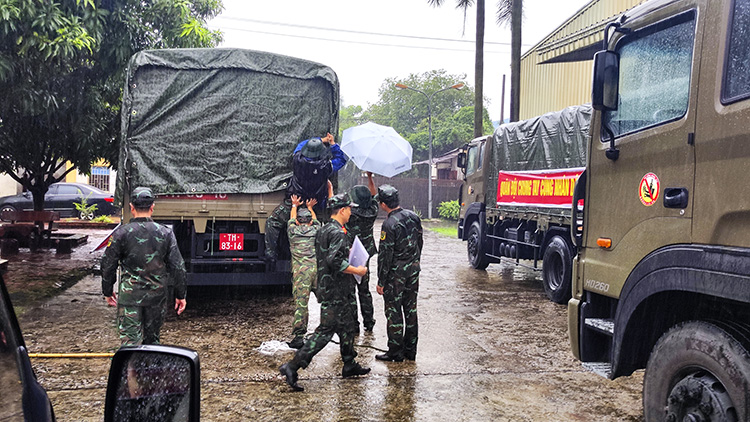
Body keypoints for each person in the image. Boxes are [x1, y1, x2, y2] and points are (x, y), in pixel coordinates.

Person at [279, 193, 369, 391]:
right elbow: (335, 261)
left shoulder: (324, 229)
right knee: (325, 333)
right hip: (335, 291)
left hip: (333, 288)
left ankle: (349, 363)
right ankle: (292, 366)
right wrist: (358, 270)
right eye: (350, 209)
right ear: (343, 210)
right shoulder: (336, 232)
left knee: (346, 327)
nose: (351, 212)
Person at [101, 187, 187, 346]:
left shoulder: (121, 233)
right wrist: (180, 294)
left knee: (130, 344)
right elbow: (178, 266)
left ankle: (131, 370)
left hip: (130, 297)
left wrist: (107, 290)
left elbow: (108, 264)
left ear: (131, 207)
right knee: (152, 342)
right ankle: (149, 370)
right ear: (152, 207)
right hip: (157, 297)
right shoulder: (165, 233)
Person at [265, 133, 345, 271]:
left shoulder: (297, 160)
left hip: (295, 201)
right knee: (325, 228)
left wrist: (320, 140)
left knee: (272, 222)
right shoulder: (326, 166)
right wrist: (331, 143)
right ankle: (322, 259)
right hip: (315, 204)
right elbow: (341, 160)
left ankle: (271, 254)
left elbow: (300, 146)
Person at [375, 185, 423, 362]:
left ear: (383, 204)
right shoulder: (413, 217)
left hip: (396, 275)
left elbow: (385, 256)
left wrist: (381, 281)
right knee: (411, 309)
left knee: (393, 311)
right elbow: (419, 242)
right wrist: (415, 262)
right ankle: (410, 350)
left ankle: (395, 351)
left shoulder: (389, 224)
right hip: (413, 270)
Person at [286, 194, 322, 349]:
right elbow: (317, 221)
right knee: (327, 301)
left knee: (301, 305)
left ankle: (299, 337)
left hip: (301, 273)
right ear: (311, 221)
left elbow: (291, 219)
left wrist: (294, 205)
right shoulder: (315, 230)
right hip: (316, 271)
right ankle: (331, 329)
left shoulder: (292, 231)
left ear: (297, 221)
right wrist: (310, 208)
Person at [345, 172, 378, 332]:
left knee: (350, 291)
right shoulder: (373, 211)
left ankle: (354, 325)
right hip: (365, 254)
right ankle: (369, 323)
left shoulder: (350, 214)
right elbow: (374, 195)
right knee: (364, 290)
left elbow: (334, 206)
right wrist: (370, 178)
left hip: (351, 253)